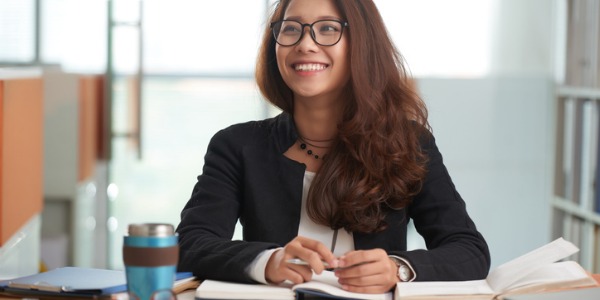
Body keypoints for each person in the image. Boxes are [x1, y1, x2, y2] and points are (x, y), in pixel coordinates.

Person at [176, 0, 490, 294]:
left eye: (327, 28)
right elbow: (191, 243)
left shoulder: (408, 143)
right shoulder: (236, 145)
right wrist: (268, 261)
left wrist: (398, 269)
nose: (305, 44)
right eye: (290, 29)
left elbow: (468, 250)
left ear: (361, 44)